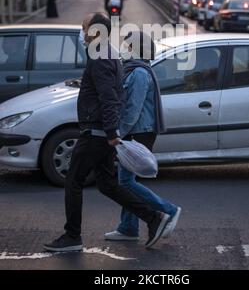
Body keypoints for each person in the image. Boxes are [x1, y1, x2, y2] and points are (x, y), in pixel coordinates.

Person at [44, 14, 171, 252]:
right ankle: (153, 218)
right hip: (101, 130)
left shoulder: (101, 55)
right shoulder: (106, 53)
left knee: (73, 181)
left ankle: (72, 237)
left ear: (94, 30)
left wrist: (113, 131)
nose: (81, 32)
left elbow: (110, 98)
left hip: (96, 131)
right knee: (108, 184)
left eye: (84, 28)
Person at [105, 31, 181, 242]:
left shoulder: (138, 73)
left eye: (126, 45)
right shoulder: (133, 69)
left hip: (138, 132)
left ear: (135, 49)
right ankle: (128, 228)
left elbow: (132, 109)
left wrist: (119, 132)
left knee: (125, 183)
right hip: (137, 131)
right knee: (126, 180)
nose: (123, 48)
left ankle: (168, 209)